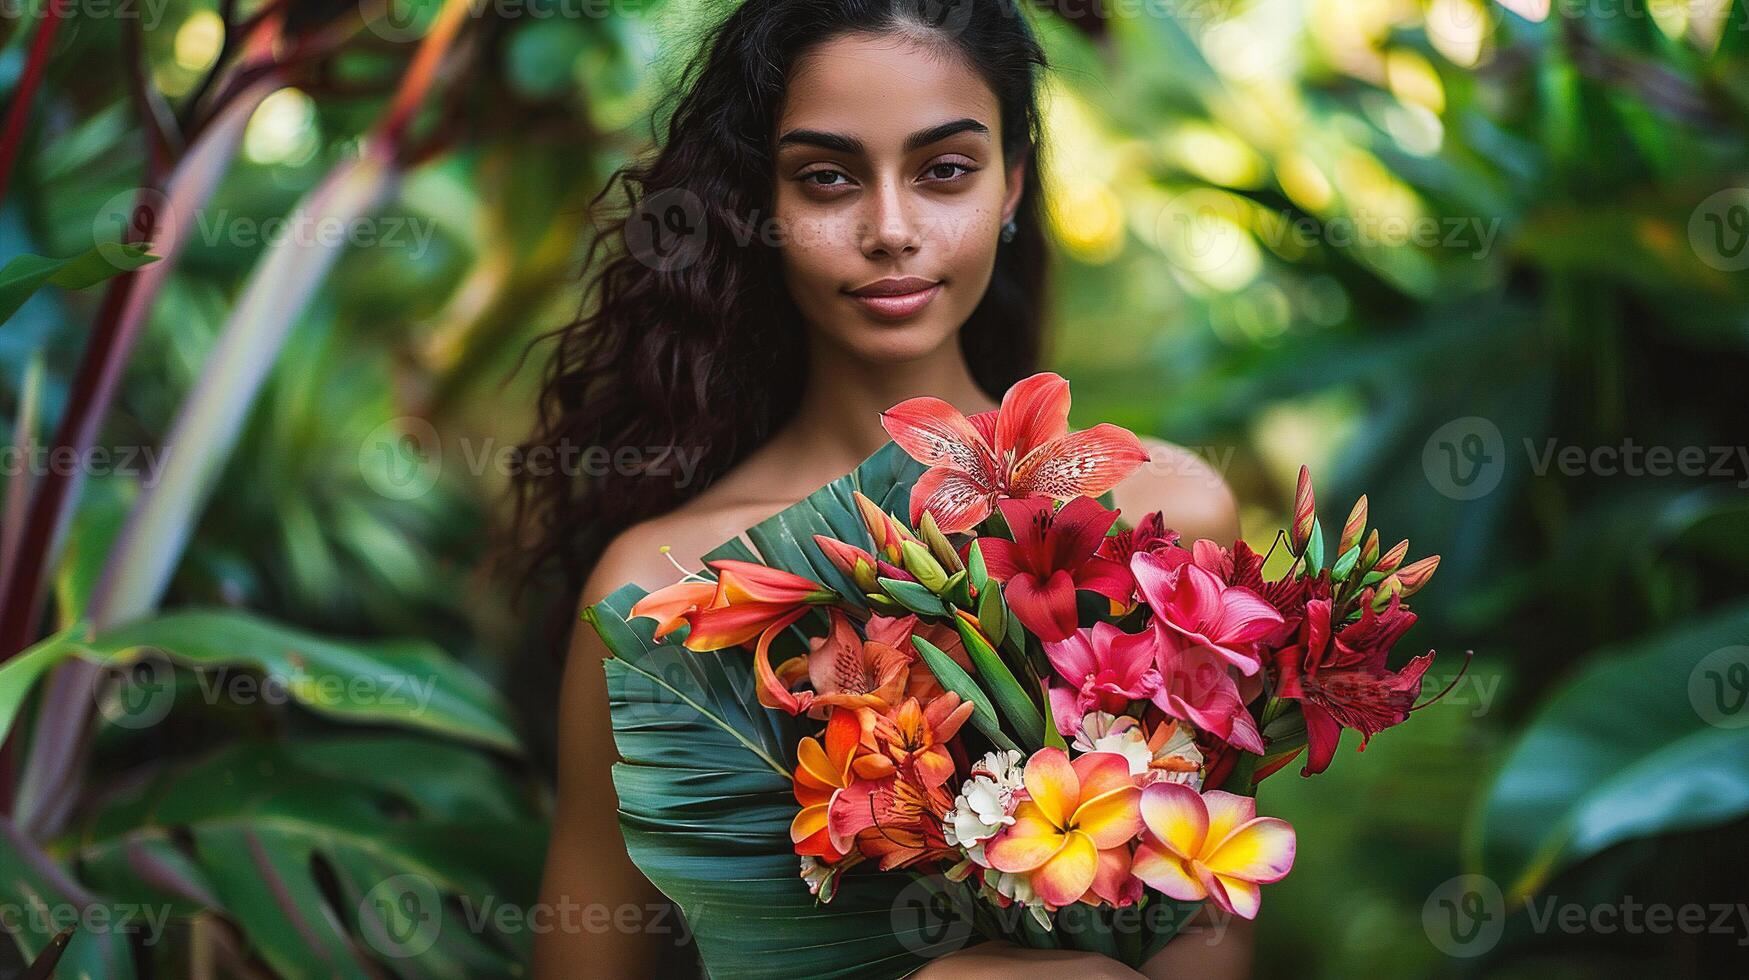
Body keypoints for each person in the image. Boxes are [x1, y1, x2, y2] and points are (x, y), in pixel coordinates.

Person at [514, 1, 1253, 976]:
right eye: (827, 179)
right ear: (764, 208)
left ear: (1012, 186)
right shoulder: (666, 584)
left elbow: (1210, 934)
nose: (892, 230)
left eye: (944, 170)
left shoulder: (1169, 520)